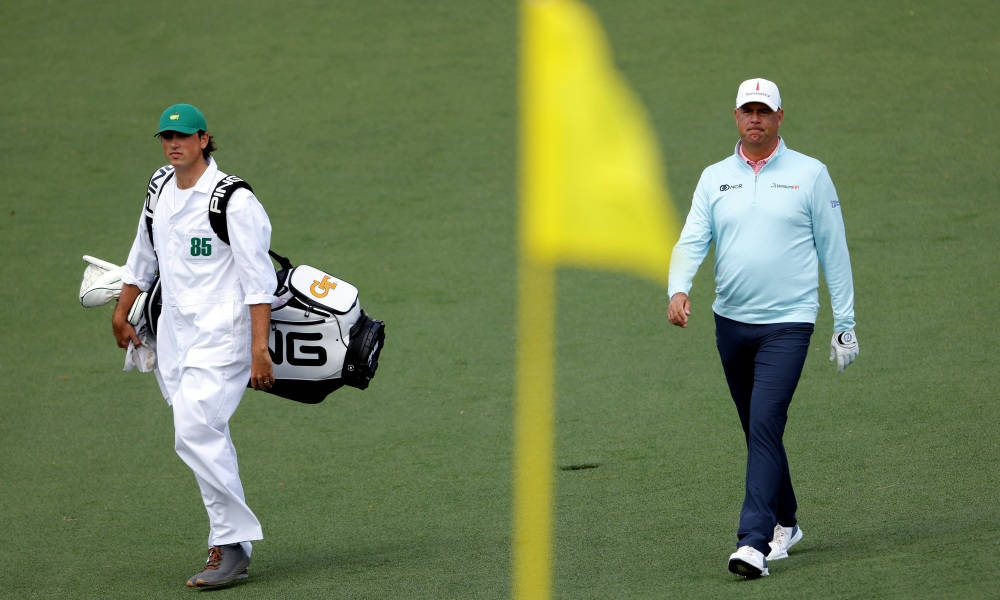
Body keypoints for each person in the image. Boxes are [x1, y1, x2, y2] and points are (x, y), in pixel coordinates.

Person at [666, 78, 859, 579]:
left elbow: (833, 250)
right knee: (757, 429)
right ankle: (788, 521)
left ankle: (753, 540)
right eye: (747, 110)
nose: (756, 118)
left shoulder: (810, 174)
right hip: (730, 323)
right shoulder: (714, 178)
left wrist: (845, 324)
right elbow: (692, 238)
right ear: (736, 116)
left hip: (788, 325)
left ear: (779, 117)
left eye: (764, 111)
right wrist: (678, 288)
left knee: (766, 422)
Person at [111, 103, 278, 588]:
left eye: (183, 136)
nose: (173, 144)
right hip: (175, 338)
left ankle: (230, 546)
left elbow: (258, 279)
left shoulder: (235, 201)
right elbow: (142, 254)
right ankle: (229, 542)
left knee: (195, 429)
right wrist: (122, 309)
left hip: (223, 337)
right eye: (166, 136)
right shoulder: (159, 186)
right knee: (200, 434)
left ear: (205, 139)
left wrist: (259, 349)